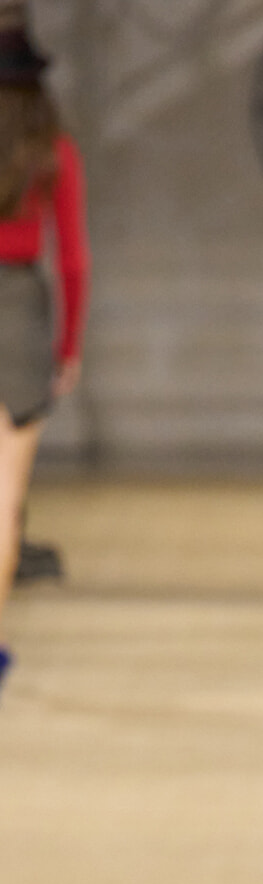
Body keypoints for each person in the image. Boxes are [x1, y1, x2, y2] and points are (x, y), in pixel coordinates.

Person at [0, 6, 86, 687]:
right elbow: (74, 259)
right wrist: (67, 346)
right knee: (7, 495)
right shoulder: (53, 150)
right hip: (23, 312)